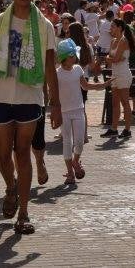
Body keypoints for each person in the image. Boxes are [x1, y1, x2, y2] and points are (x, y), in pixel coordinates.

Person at [0, 0, 60, 236]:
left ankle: (24, 213)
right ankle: (10, 188)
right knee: (3, 155)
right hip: (2, 96)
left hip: (30, 96)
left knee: (22, 151)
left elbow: (51, 66)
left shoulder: (44, 26)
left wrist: (56, 105)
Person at [55, 39, 108, 185]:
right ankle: (70, 173)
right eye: (73, 56)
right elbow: (52, 93)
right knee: (67, 142)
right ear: (66, 57)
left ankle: (75, 161)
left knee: (79, 141)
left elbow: (85, 86)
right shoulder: (56, 73)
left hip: (78, 109)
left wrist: (101, 85)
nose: (75, 58)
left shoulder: (78, 69)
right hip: (63, 112)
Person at [102, 19, 135, 138]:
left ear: (120, 27)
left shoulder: (123, 40)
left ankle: (127, 129)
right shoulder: (113, 41)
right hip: (115, 74)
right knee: (115, 103)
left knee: (125, 102)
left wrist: (112, 58)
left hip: (123, 74)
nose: (111, 29)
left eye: (113, 26)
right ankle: (114, 128)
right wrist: (112, 58)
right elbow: (112, 58)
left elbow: (114, 59)